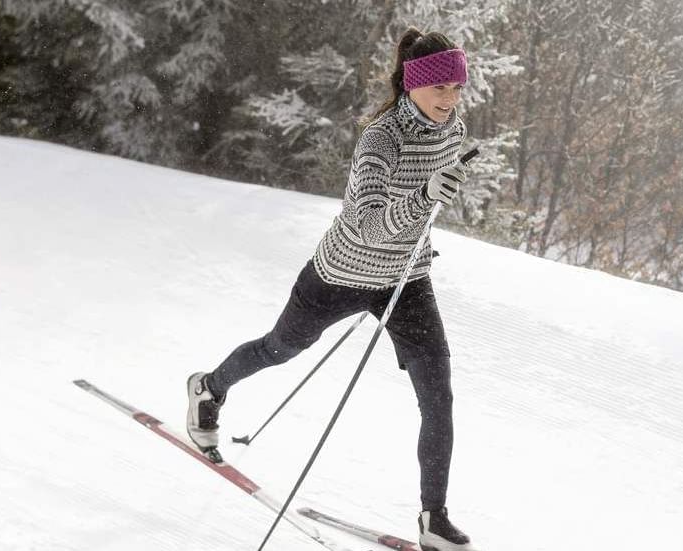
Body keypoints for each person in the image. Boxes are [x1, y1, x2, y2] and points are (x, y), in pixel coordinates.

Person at [187, 28, 479, 551]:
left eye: (457, 88)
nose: (451, 99)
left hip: (407, 278)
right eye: (441, 88)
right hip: (342, 271)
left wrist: (438, 194)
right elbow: (365, 224)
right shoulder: (380, 139)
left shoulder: (453, 129)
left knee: (439, 398)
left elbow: (429, 201)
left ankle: (434, 517)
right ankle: (210, 386)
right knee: (281, 348)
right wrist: (425, 195)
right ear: (413, 85)